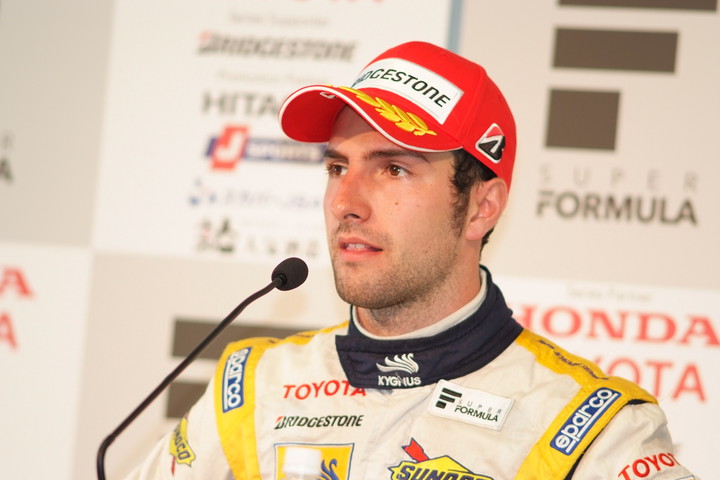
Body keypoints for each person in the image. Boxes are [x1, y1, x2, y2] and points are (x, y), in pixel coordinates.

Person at [127, 41, 697, 480]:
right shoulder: (251, 389)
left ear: (481, 207)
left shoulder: (591, 429)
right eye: (337, 168)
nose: (345, 203)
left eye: (393, 169)